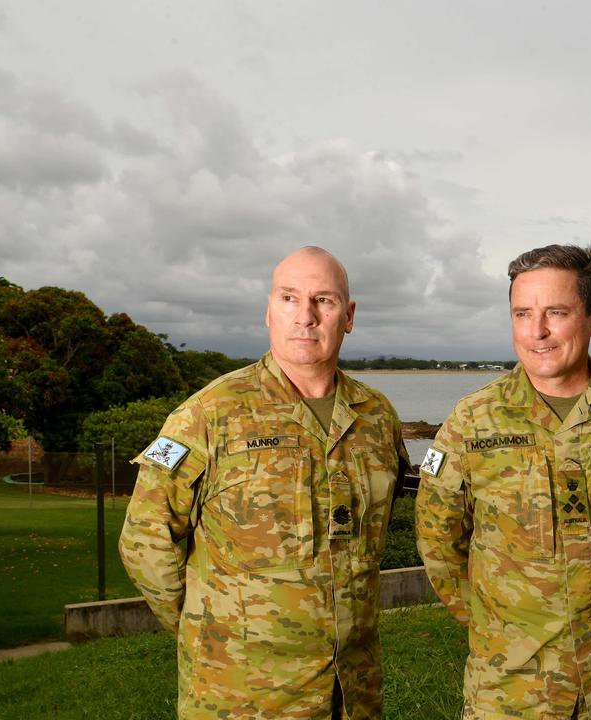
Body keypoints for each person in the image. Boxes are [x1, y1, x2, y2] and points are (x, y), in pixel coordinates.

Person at [120, 246, 409, 719]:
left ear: (349, 316)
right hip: (242, 693)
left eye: (325, 301)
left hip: (353, 690)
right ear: (268, 311)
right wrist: (209, 629)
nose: (306, 317)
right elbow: (144, 540)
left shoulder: (376, 416)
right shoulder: (208, 414)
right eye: (290, 298)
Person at [415, 244, 591, 719]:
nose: (537, 331)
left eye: (557, 312)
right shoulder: (471, 422)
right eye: (522, 314)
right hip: (509, 688)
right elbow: (438, 540)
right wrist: (495, 622)